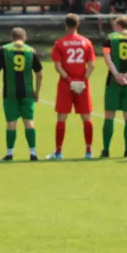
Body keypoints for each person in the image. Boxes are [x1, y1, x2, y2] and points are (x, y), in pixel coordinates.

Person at [47, 14, 96, 160]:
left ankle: (58, 152)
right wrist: (82, 80)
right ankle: (88, 152)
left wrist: (69, 81)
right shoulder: (86, 42)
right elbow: (92, 64)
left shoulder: (60, 43)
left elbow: (58, 66)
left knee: (62, 117)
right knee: (86, 117)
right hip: (82, 84)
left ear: (65, 25)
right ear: (78, 24)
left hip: (65, 84)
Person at [0, 27, 42, 161]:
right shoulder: (31, 51)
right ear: (24, 38)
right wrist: (37, 92)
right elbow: (39, 75)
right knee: (29, 122)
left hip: (10, 92)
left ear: (11, 37)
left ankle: (9, 154)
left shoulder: (3, 50)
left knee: (11, 123)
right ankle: (33, 153)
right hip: (27, 91)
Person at [100, 16, 127, 158]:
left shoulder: (109, 38)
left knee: (109, 115)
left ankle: (106, 150)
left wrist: (117, 74)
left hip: (113, 82)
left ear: (119, 25)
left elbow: (107, 57)